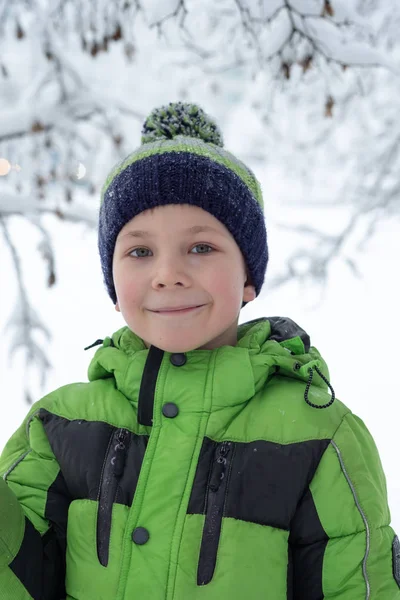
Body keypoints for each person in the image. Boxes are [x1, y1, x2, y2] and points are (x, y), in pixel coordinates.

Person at [0, 102, 399, 600]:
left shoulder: (321, 438)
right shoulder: (58, 427)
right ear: (113, 282)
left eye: (201, 247)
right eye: (140, 251)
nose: (168, 273)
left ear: (248, 276)